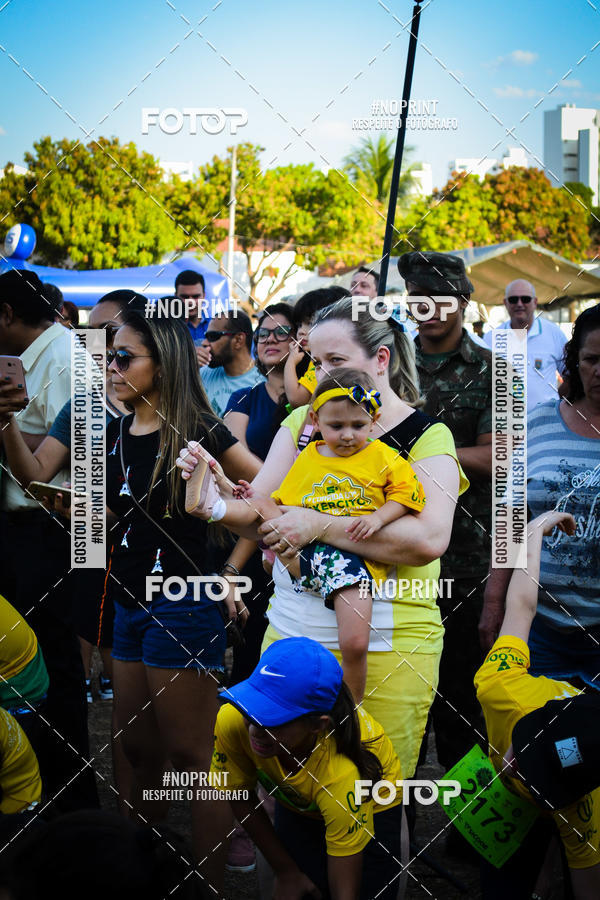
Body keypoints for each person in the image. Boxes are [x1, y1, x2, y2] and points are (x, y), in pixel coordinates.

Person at [179, 295, 468, 779]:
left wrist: (317, 524)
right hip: (292, 631)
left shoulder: (426, 435)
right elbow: (261, 513)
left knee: (372, 792)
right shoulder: (301, 423)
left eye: (335, 361)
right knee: (292, 784)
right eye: (314, 359)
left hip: (387, 647)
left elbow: (427, 539)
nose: (317, 372)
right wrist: (213, 501)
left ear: (381, 359)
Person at [105, 310, 259, 888]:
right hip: (126, 603)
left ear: (163, 363)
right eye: (110, 355)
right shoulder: (116, 431)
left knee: (196, 762)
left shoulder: (201, 429)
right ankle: (139, 872)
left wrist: (227, 572)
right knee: (138, 751)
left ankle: (209, 881)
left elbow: (265, 500)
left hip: (183, 604)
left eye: (125, 357)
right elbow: (113, 519)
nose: (113, 367)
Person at [186, 368, 426, 702]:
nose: (347, 435)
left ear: (374, 419)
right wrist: (253, 498)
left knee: (355, 643)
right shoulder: (308, 457)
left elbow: (409, 495)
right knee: (266, 505)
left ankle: (352, 711)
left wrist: (378, 517)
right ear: (315, 419)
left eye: (358, 426)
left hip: (352, 561)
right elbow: (281, 503)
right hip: (306, 551)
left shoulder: (384, 457)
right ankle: (218, 500)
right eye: (336, 426)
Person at [0, 269, 98, 812]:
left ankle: (71, 805)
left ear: (8, 315)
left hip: (56, 530)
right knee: (28, 670)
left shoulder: (64, 357)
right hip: (23, 532)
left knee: (54, 673)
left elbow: (85, 445)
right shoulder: (41, 355)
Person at [211, 637, 406, 900]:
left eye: (272, 720)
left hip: (373, 802)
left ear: (317, 725)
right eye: (253, 708)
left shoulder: (341, 773)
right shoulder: (233, 720)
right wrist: (286, 872)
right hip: (302, 797)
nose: (255, 730)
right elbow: (238, 794)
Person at [399, 252, 492, 793]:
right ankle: (393, 819)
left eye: (441, 298)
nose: (428, 309)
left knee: (463, 705)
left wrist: (419, 456)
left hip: (465, 558)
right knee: (398, 699)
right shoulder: (389, 366)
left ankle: (470, 828)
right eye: (418, 298)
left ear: (463, 301)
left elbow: (497, 456)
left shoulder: (490, 372)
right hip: (395, 555)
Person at [475, 509, 600, 900]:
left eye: (536, 773)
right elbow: (523, 607)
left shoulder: (586, 809)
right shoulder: (500, 685)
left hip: (570, 805)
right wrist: (533, 533)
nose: (514, 764)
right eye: (526, 751)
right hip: (504, 795)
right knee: (501, 882)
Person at [479, 303, 600, 687]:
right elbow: (509, 519)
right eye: (591, 359)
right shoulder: (540, 423)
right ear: (574, 362)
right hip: (538, 625)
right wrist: (494, 602)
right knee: (532, 738)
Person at [224, 302, 295, 462]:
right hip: (253, 486)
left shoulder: (312, 394)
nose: (270, 339)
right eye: (263, 334)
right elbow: (236, 458)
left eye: (281, 332)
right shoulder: (242, 398)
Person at [483, 278, 568, 410]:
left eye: (525, 299)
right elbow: (482, 382)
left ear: (535, 302)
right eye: (513, 299)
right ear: (505, 303)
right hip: (506, 425)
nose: (519, 303)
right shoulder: (491, 338)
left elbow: (571, 375)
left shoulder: (554, 334)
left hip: (546, 422)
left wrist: (556, 404)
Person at [283, 287, 351, 409]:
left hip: (314, 426)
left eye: (310, 323)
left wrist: (291, 361)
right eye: (299, 325)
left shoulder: (322, 364)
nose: (301, 332)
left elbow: (296, 399)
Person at [199, 309, 264, 417]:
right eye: (206, 336)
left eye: (213, 336)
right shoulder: (203, 374)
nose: (204, 343)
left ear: (238, 340)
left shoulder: (263, 383)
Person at [174, 269, 210, 364]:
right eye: (185, 297)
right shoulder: (167, 329)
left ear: (204, 296)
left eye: (195, 296)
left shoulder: (218, 327)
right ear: (175, 296)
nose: (190, 302)